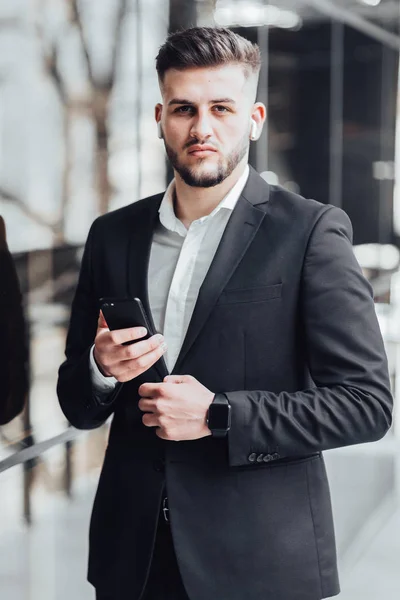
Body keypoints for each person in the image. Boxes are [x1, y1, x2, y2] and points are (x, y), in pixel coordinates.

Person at [57, 27, 393, 600]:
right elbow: (76, 404)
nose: (201, 128)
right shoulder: (112, 236)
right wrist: (99, 368)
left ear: (255, 117)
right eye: (184, 109)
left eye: (221, 108)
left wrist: (217, 414)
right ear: (160, 116)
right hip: (131, 560)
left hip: (259, 561)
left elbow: (367, 405)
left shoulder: (310, 231)